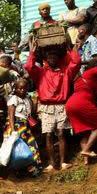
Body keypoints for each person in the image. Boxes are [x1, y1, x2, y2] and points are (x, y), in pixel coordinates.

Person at [26, 37, 81, 172]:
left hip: (62, 105)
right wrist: (32, 52)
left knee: (62, 134)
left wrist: (70, 48)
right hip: (46, 107)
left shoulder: (66, 71)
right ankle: (51, 163)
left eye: (54, 57)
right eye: (49, 57)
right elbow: (28, 66)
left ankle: (63, 162)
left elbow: (77, 62)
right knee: (48, 134)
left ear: (58, 59)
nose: (51, 59)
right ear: (45, 59)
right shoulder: (41, 72)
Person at [6, 78, 42, 175]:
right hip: (17, 126)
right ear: (16, 89)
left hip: (26, 126)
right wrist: (13, 131)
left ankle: (35, 169)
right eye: (19, 88)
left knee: (32, 146)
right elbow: (11, 116)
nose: (22, 90)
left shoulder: (27, 99)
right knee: (20, 149)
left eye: (24, 88)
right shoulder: (13, 99)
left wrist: (35, 101)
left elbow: (32, 114)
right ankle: (19, 170)